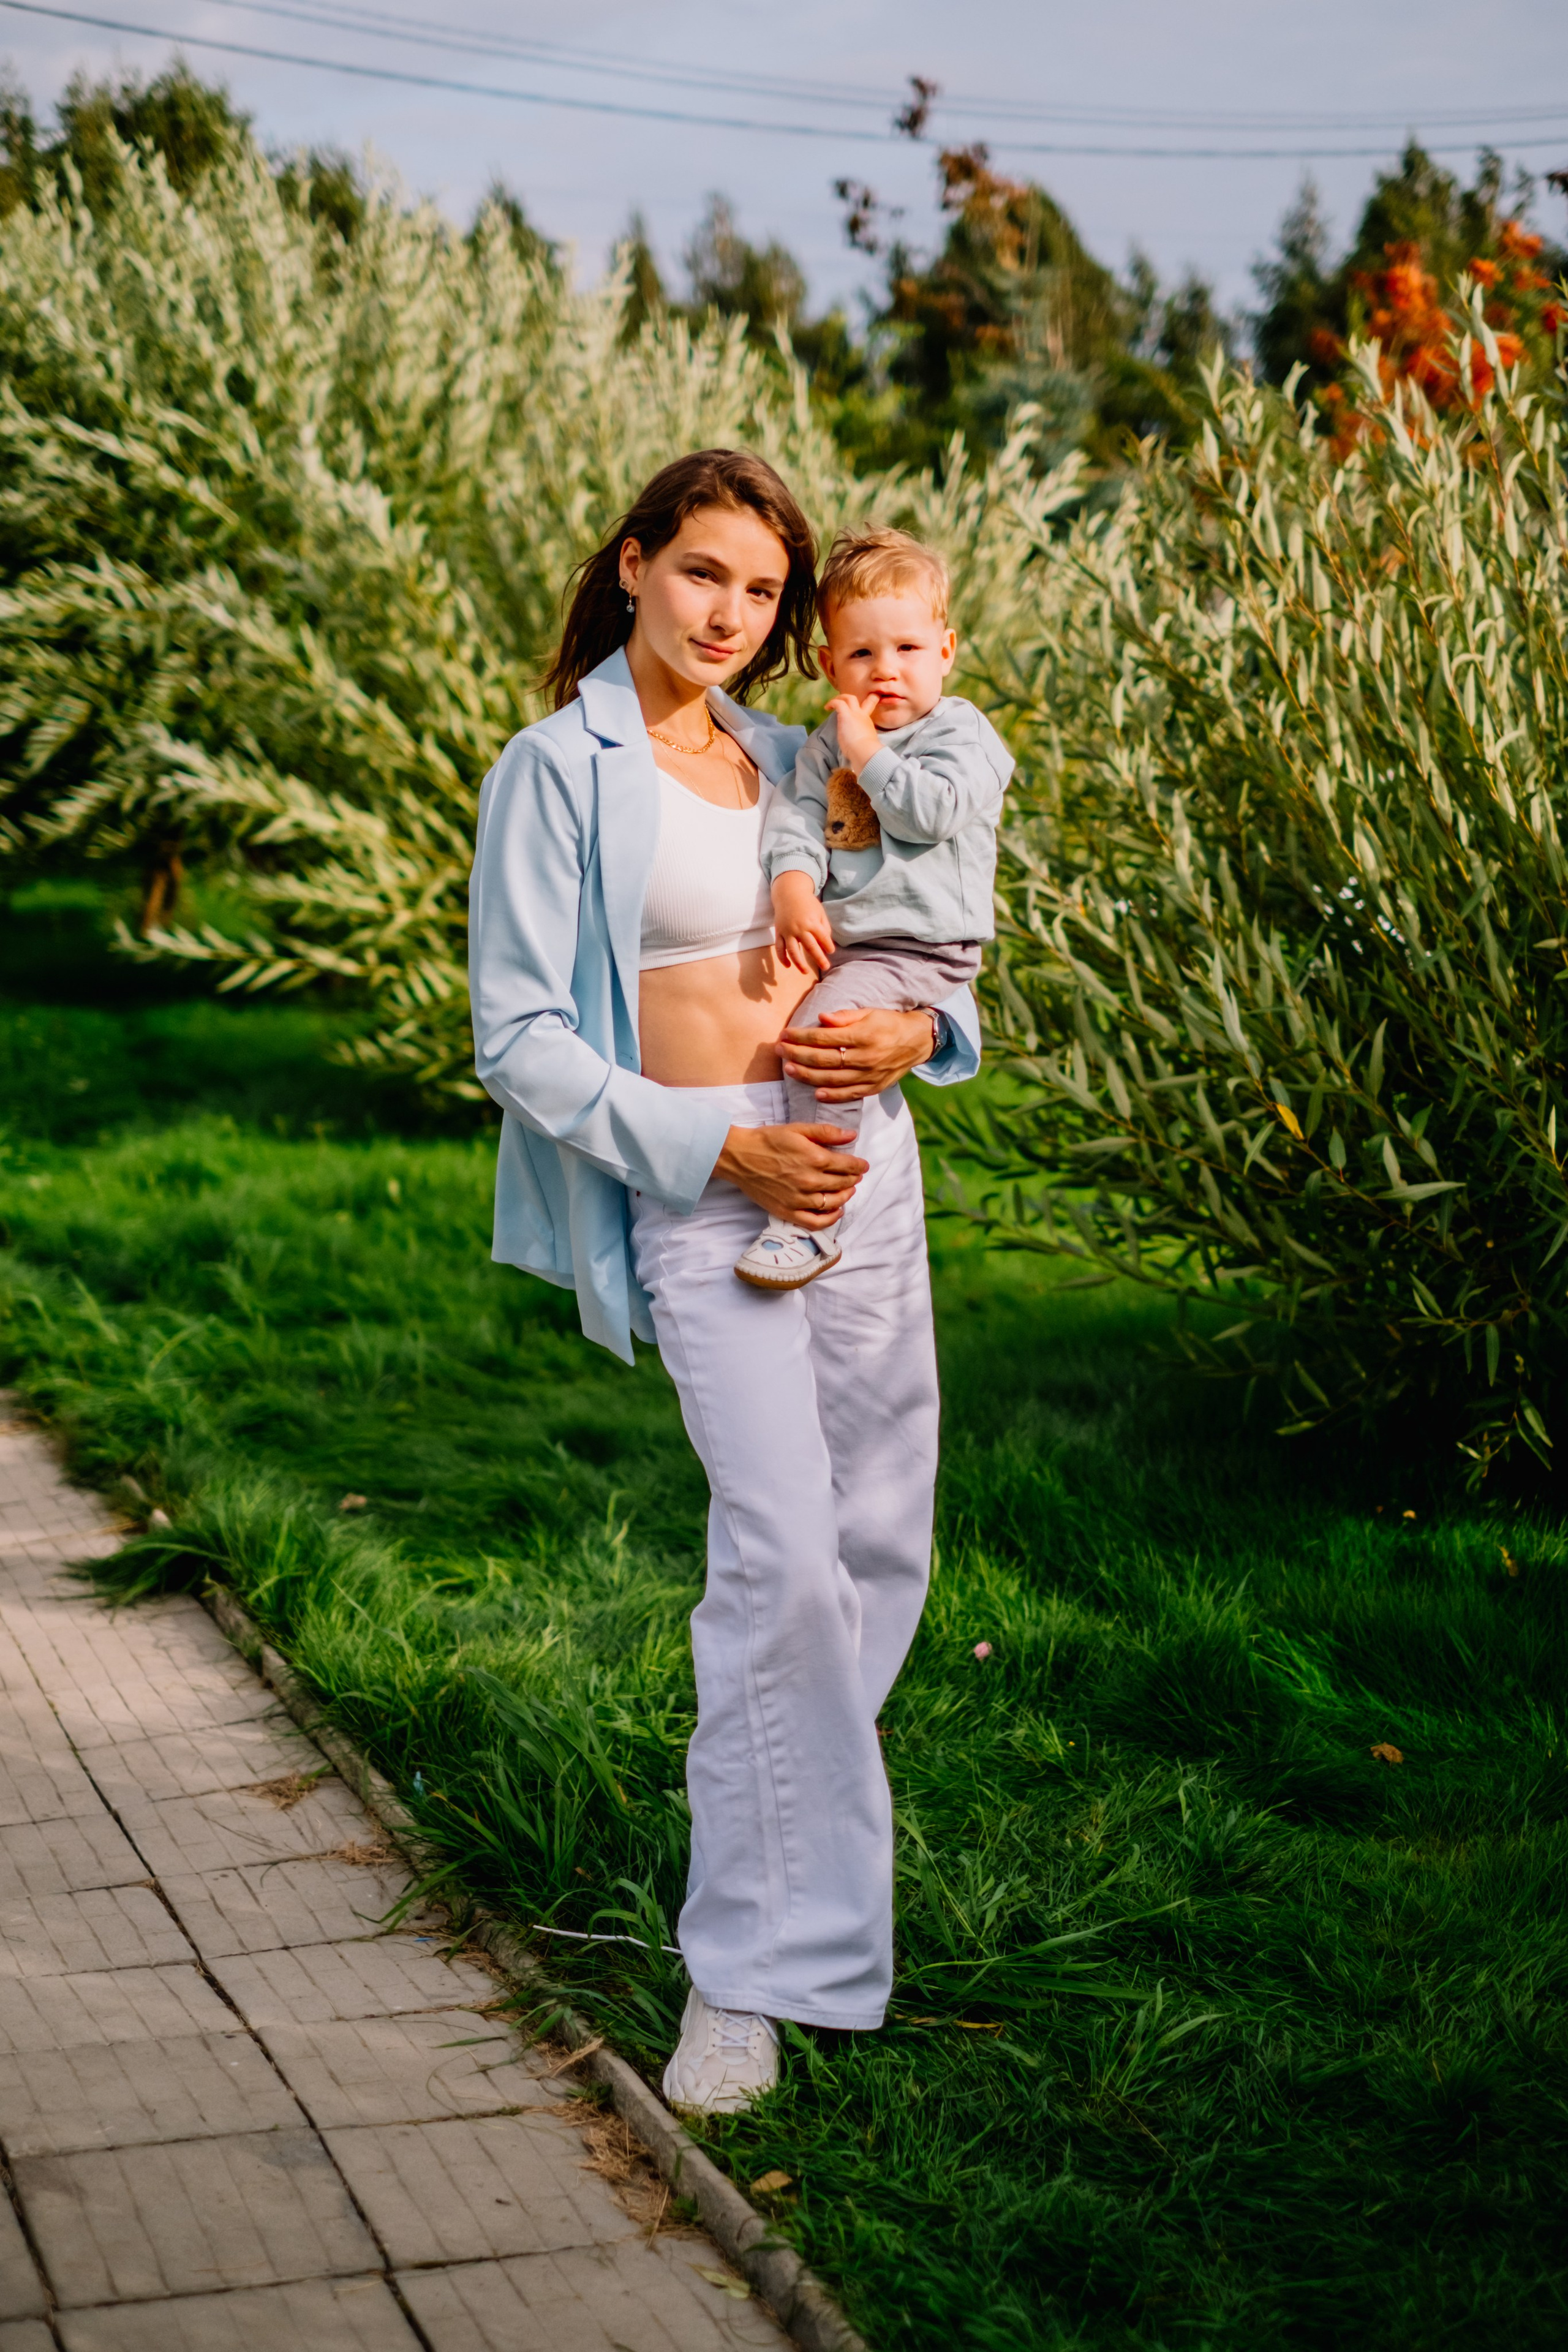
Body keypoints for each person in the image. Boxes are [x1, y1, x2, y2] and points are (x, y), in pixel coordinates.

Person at [467, 449, 980, 2114]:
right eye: (704, 576)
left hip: (860, 1160)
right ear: (633, 567)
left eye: (763, 592)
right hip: (709, 1188)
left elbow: (932, 914)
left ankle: (805, 1861)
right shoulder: (556, 769)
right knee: (778, 1559)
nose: (734, 616)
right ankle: (749, 1977)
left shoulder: (794, 742)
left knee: (877, 1542)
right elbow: (522, 1040)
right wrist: (717, 1154)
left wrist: (929, 1031)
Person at [735, 527, 1013, 1290]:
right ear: (830, 664)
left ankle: (810, 1217)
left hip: (921, 947)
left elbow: (933, 812)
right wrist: (793, 883)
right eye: (861, 655)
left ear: (946, 650)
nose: (885, 671)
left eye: (907, 651)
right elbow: (795, 815)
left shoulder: (962, 733)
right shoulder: (831, 741)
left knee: (822, 1039)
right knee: (828, 1034)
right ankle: (824, 1205)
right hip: (867, 943)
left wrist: (870, 754)